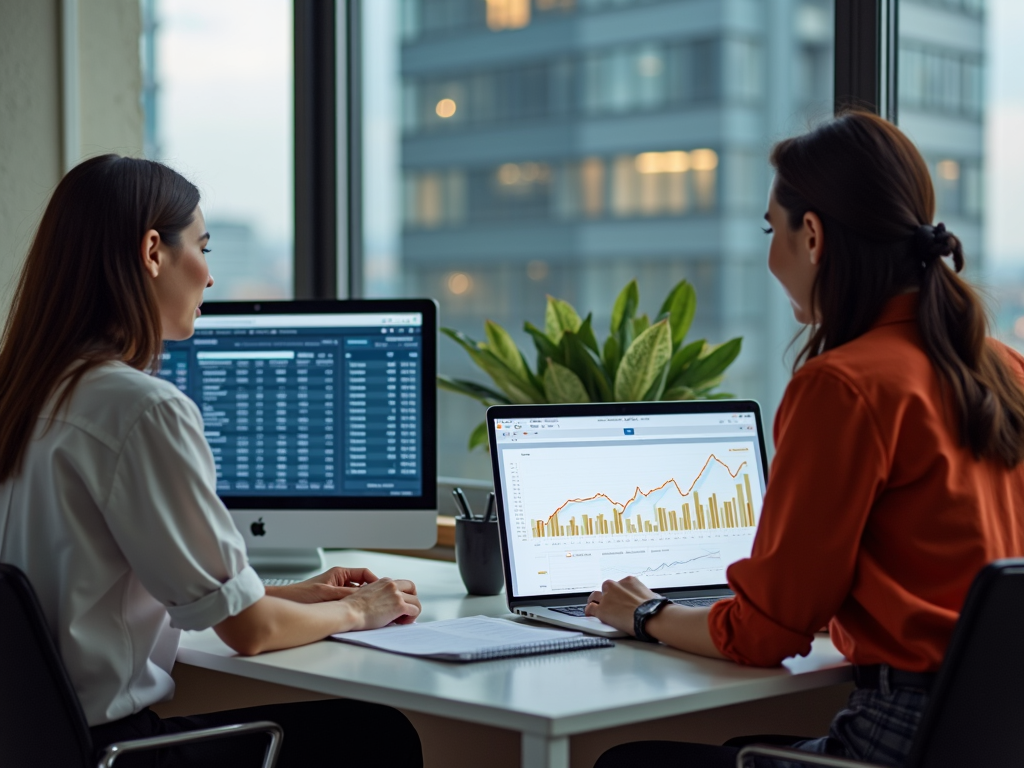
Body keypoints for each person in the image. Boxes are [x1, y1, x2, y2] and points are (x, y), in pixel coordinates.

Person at [588, 111, 1024, 768]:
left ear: (813, 235)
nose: (770, 252)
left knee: (630, 760)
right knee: (741, 747)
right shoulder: (1001, 365)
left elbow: (763, 635)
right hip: (990, 734)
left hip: (897, 740)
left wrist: (646, 613)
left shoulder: (843, 386)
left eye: (773, 229)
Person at [0, 155, 424, 767]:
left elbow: (125, 586)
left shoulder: (25, 394)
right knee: (379, 734)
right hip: (115, 753)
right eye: (202, 247)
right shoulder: (142, 409)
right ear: (153, 251)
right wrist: (362, 608)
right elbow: (247, 634)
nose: (211, 277)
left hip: (37, 749)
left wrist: (301, 595)